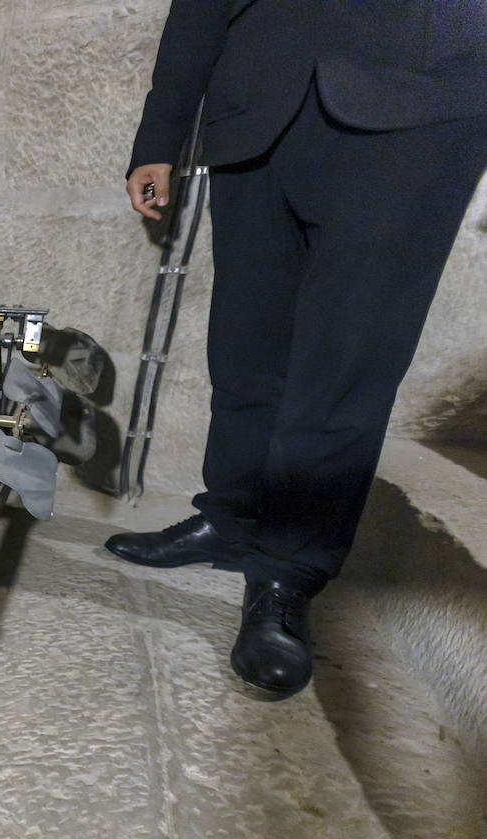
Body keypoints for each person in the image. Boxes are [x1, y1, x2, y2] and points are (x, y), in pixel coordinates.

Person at [107, 0, 487, 699]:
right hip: (258, 106)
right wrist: (161, 132)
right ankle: (232, 517)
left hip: (419, 107)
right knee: (244, 348)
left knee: (346, 365)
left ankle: (287, 570)